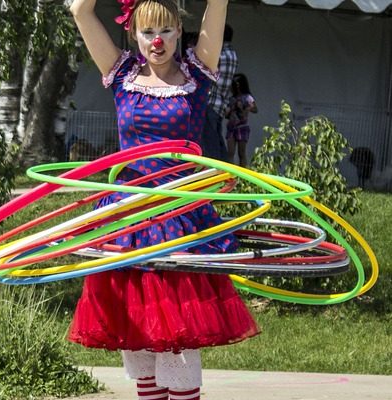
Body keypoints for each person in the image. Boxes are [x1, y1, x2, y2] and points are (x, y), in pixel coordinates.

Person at [68, 1, 258, 399]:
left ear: (179, 32)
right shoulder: (120, 73)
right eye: (147, 32)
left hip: (179, 221)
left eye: (167, 31)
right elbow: (81, 12)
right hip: (129, 221)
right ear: (132, 34)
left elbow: (217, 5)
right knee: (142, 345)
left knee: (180, 345)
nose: (158, 41)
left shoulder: (197, 75)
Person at [201, 24, 238, 162]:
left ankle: (215, 172)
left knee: (210, 143)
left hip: (211, 101)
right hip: (221, 103)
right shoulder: (232, 55)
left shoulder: (219, 55)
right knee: (217, 139)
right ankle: (224, 170)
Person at [225, 73, 257, 167]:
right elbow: (226, 114)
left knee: (241, 153)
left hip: (242, 127)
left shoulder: (247, 97)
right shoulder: (231, 99)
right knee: (230, 152)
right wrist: (230, 110)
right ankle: (230, 174)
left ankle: (243, 176)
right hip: (231, 127)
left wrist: (246, 108)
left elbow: (255, 109)